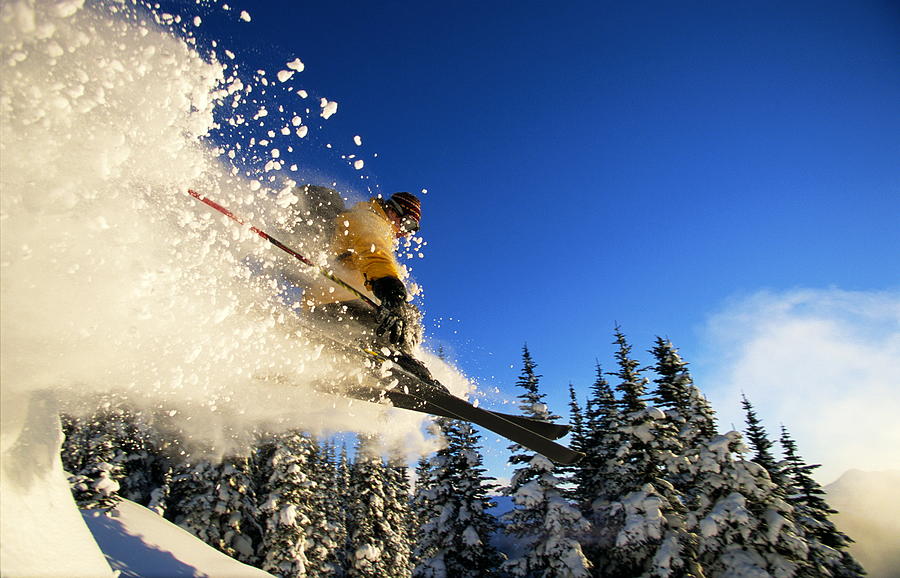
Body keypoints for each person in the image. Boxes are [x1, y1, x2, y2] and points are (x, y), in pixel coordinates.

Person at [302, 191, 423, 353]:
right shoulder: (370, 221)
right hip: (333, 305)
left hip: (344, 303)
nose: (406, 233)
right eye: (407, 224)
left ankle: (403, 358)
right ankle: (395, 359)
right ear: (393, 211)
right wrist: (391, 290)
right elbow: (374, 254)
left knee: (408, 317)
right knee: (395, 328)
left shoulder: (375, 224)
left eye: (412, 230)